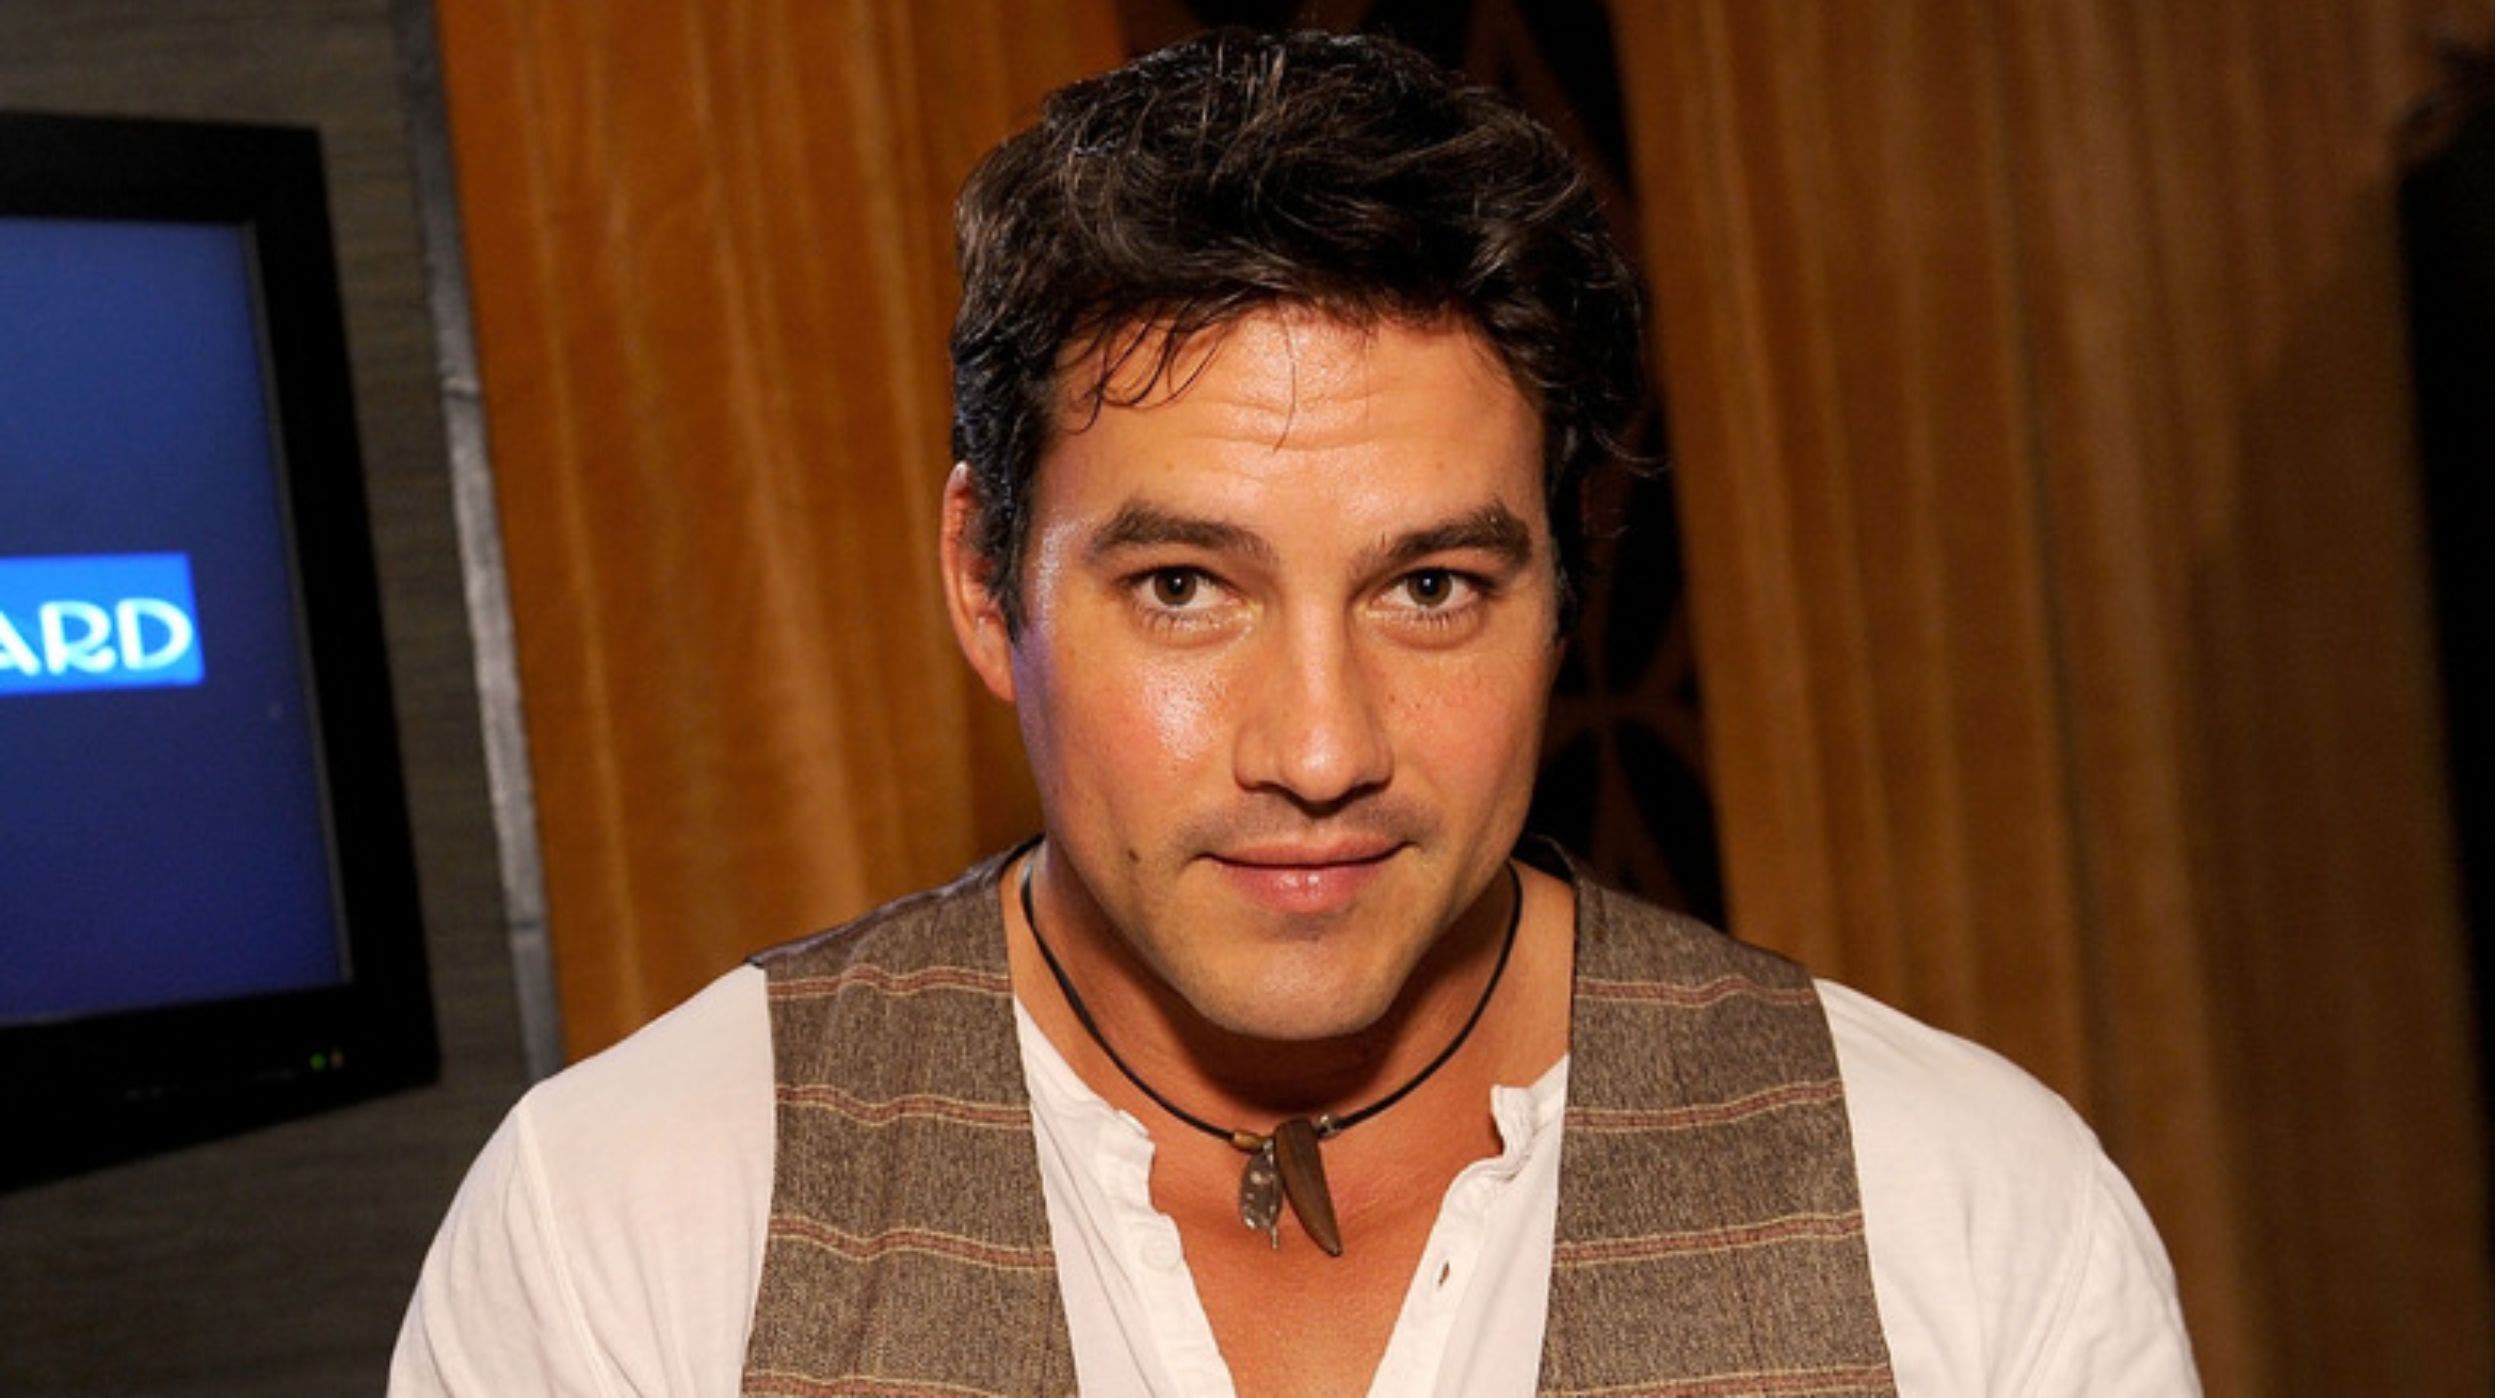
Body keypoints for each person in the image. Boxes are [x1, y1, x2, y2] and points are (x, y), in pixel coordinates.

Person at [392, 29, 2200, 1397]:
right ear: (985, 581)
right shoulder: (633, 1226)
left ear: (1563, 596)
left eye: (1433, 587)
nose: (1322, 750)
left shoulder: (1967, 1216)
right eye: (1186, 586)